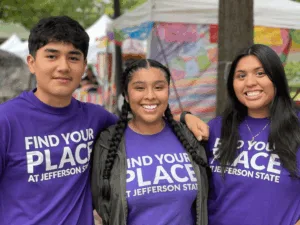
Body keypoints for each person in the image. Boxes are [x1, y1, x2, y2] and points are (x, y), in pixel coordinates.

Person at [0, 16, 209, 224]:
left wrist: (182, 116)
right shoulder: (6, 120)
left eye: (73, 57)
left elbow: (142, 118)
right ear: (32, 62)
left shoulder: (94, 117)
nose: (63, 67)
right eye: (52, 56)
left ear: (83, 66)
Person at [91, 59, 210, 225]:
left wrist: (185, 116)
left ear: (168, 91)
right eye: (139, 88)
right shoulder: (107, 143)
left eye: (159, 87)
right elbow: (102, 205)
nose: (150, 96)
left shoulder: (190, 137)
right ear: (126, 95)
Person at [206, 44, 300, 225]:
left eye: (260, 73)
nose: (250, 82)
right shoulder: (216, 128)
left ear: (276, 78)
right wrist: (187, 118)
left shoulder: (296, 127)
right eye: (241, 76)